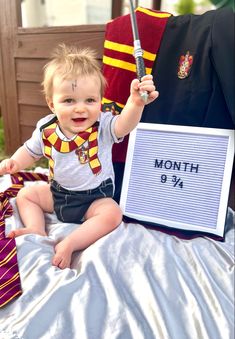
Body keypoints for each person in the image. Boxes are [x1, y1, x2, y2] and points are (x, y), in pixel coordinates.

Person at [0, 44, 158, 269]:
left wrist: (135, 103)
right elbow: (31, 150)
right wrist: (15, 162)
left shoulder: (103, 125)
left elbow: (125, 125)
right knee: (27, 194)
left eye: (90, 100)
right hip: (58, 195)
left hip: (93, 199)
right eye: (69, 101)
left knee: (112, 214)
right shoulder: (47, 128)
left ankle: (71, 243)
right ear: (51, 104)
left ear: (100, 102)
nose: (80, 109)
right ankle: (36, 228)